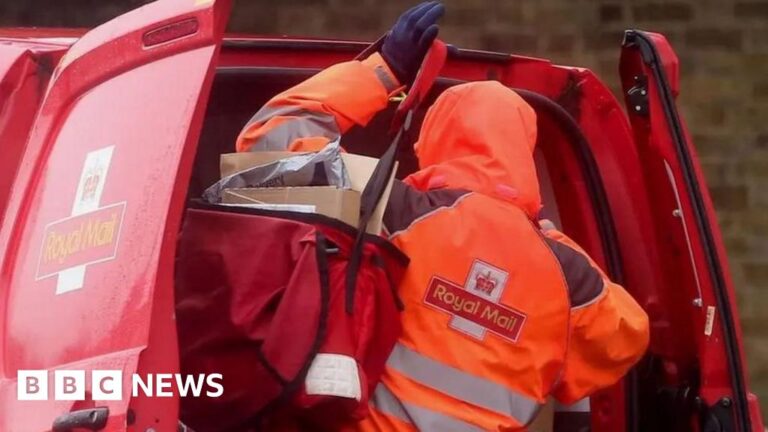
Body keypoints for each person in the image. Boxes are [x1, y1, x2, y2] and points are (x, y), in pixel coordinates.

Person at [236, 2, 650, 430]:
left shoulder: (392, 210)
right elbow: (626, 336)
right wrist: (538, 233)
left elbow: (268, 149)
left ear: (432, 142)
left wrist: (384, 70)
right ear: (522, 151)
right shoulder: (567, 274)